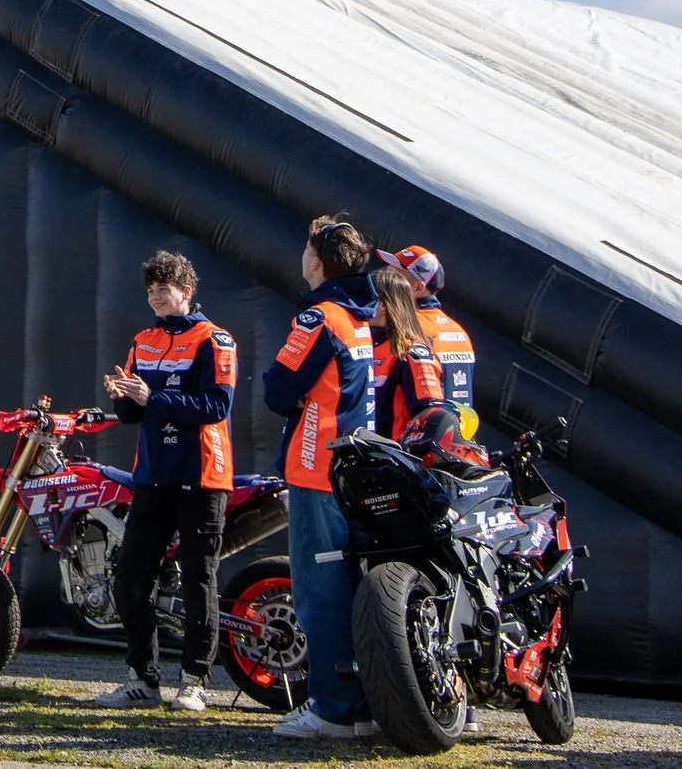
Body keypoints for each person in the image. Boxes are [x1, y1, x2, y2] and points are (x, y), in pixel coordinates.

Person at [94, 250, 237, 712]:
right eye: (150, 291)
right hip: (153, 475)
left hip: (202, 476)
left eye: (163, 290)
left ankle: (194, 681)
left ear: (186, 292)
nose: (155, 297)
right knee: (130, 580)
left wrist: (152, 397)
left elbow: (216, 406)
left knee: (198, 580)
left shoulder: (215, 339)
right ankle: (142, 680)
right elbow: (133, 414)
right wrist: (122, 396)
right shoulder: (144, 340)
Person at [262, 215, 381, 741]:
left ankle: (333, 709)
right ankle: (360, 706)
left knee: (321, 594)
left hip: (318, 470)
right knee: (351, 591)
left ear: (316, 261)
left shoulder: (320, 318)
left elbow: (278, 390)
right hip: (355, 468)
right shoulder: (358, 317)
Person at [381, 244, 475, 417]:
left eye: (394, 277)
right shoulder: (460, 333)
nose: (384, 281)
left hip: (410, 431)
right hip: (454, 431)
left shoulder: (405, 328)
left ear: (418, 288)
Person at [368, 264, 447, 440]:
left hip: (392, 453)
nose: (357, 305)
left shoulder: (412, 353)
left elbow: (431, 415)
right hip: (362, 452)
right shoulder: (369, 343)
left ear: (383, 305)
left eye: (365, 298)